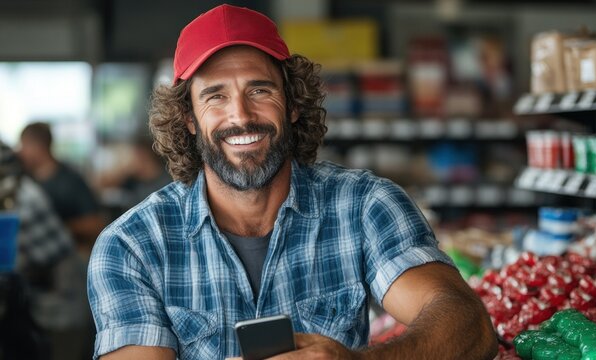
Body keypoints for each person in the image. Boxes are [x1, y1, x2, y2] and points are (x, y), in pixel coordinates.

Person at [88, 4, 497, 360]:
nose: (241, 115)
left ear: (294, 104)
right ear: (189, 120)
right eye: (215, 96)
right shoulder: (131, 246)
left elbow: (468, 326)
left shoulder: (366, 205)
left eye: (260, 89)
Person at [0, 140, 89, 360]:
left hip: (60, 306)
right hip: (43, 298)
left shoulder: (19, 199)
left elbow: (13, 265)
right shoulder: (15, 192)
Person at [18, 122, 104, 258]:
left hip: (66, 257)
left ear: (38, 146)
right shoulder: (23, 181)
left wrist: (55, 226)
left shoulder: (71, 180)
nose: (20, 152)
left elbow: (94, 223)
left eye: (24, 145)